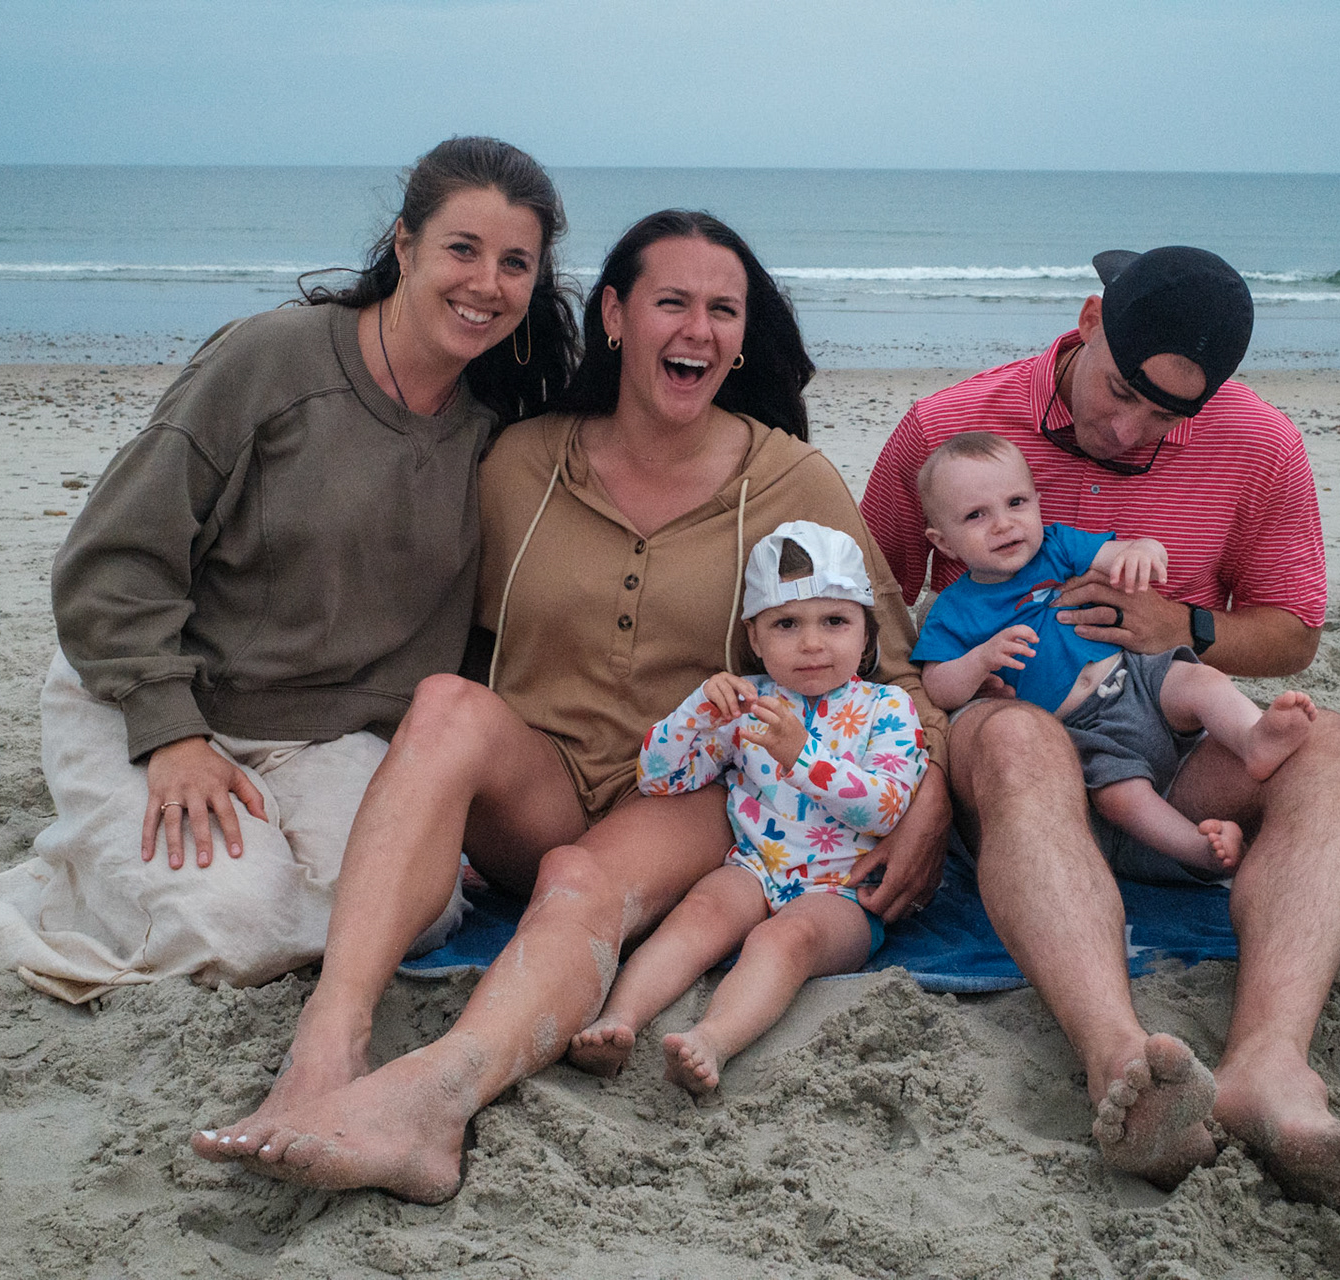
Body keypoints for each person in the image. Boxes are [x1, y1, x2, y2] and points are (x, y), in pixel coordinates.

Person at [192, 209, 951, 1201]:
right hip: (537, 774)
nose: (699, 328)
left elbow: (895, 665)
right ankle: (326, 1047)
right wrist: (195, 713)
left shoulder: (789, 477)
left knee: (577, 874)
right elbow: (408, 609)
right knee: (445, 703)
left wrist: (931, 799)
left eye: (724, 310)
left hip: (684, 796)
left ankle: (435, 1101)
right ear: (616, 317)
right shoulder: (522, 462)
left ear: (742, 337)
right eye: (671, 301)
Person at [0, 137, 579, 1002]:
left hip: (325, 735)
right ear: (405, 243)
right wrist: (171, 733)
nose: (486, 283)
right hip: (150, 694)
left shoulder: (499, 425)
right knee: (237, 925)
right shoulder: (272, 360)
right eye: (463, 249)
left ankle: (175, 868)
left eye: (515, 263)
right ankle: (66, 884)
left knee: (416, 911)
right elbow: (113, 554)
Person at [860, 246, 1340, 1217]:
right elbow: (866, 622)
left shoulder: (1261, 444)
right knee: (1021, 735)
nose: (1128, 429)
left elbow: (1293, 630)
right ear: (1086, 322)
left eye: (1165, 416)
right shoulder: (947, 428)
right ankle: (1121, 1060)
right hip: (1009, 775)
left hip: (1165, 755)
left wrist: (1185, 625)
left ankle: (1269, 1069)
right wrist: (929, 780)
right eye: (1120, 390)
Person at [568, 521, 928, 1094]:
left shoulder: (889, 707)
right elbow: (660, 780)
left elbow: (884, 810)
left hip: (844, 893)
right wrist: (694, 714)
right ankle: (619, 1020)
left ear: (865, 633)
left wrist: (801, 756)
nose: (812, 643)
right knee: (698, 913)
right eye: (787, 624)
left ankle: (714, 1038)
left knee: (785, 939)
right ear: (755, 638)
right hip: (754, 868)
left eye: (835, 621)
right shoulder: (746, 705)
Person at [912, 432, 1319, 876]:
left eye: (1016, 503)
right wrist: (979, 661)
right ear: (944, 542)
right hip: (1084, 729)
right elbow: (936, 686)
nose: (1004, 524)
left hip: (1138, 676)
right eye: (976, 515)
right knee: (1119, 796)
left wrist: (1143, 551)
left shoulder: (1057, 547)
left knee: (1200, 679)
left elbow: (1120, 550)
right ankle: (1198, 849)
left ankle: (1252, 737)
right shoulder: (953, 609)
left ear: (1037, 502)